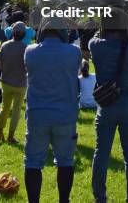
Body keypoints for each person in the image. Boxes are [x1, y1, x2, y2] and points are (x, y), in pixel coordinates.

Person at [90, 8, 128, 203]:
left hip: (106, 105)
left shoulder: (96, 45)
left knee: (101, 154)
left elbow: (94, 36)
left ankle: (100, 197)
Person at [24, 16, 82, 203]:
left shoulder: (30, 51)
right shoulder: (74, 52)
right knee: (65, 162)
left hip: (37, 114)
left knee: (33, 163)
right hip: (65, 114)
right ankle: (63, 200)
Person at [0, 21, 27, 143]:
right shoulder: (26, 48)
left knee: (4, 108)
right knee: (16, 110)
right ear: (24, 34)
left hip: (6, 81)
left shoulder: (4, 45)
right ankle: (11, 136)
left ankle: (0, 133)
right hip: (20, 83)